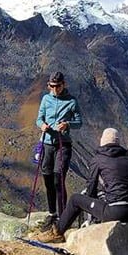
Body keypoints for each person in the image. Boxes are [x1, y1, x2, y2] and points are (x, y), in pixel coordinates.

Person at [54, 127, 128, 234]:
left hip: (117, 212)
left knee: (75, 199)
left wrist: (92, 205)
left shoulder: (98, 159)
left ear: (102, 141)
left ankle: (57, 232)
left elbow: (91, 186)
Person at [36, 71, 82, 223]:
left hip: (63, 144)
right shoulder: (46, 99)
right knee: (48, 179)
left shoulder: (72, 101)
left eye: (58, 86)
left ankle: (63, 216)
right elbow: (39, 119)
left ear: (64, 84)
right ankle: (52, 213)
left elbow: (79, 122)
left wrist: (67, 124)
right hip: (47, 143)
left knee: (58, 178)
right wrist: (42, 125)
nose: (55, 89)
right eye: (52, 86)